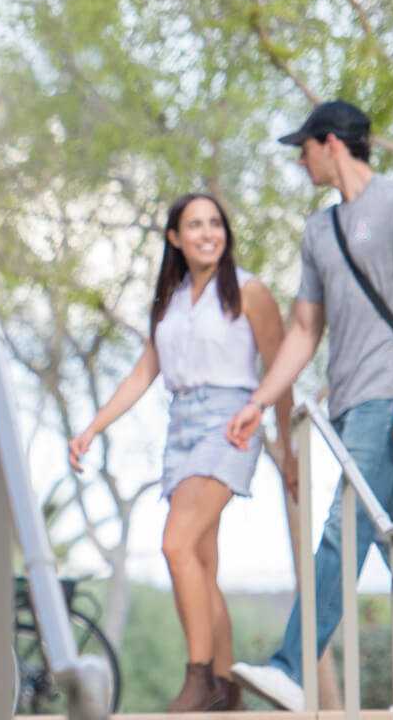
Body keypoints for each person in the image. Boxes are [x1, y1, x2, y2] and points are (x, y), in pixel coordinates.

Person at [224, 100, 393, 711]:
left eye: (304, 148)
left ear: (331, 143)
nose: (301, 160)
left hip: (390, 397)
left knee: (343, 531)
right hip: (346, 406)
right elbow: (304, 329)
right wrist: (260, 401)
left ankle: (293, 665)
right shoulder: (319, 231)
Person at [68, 193, 294, 712]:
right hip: (181, 424)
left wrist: (289, 450)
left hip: (233, 420)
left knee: (174, 544)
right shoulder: (168, 302)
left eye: (216, 223)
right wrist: (92, 428)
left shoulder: (250, 292)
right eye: (195, 225)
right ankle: (227, 688)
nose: (208, 233)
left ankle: (198, 679)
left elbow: (281, 373)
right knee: (199, 563)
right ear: (175, 237)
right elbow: (144, 373)